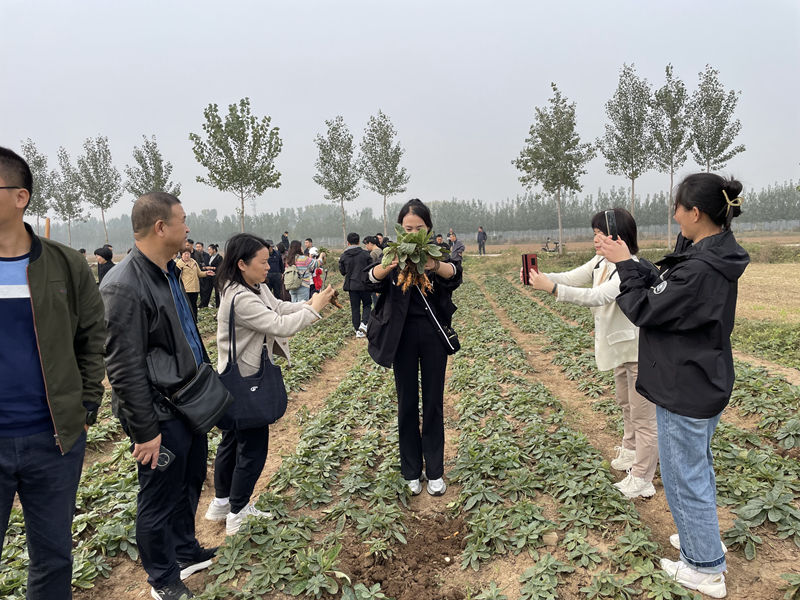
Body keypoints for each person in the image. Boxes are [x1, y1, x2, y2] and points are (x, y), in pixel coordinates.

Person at [599, 173, 749, 599]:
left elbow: (646, 307)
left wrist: (624, 265)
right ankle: (701, 538)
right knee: (696, 467)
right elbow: (667, 279)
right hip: (702, 376)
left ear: (696, 213)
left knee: (685, 476)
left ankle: (704, 568)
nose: (674, 215)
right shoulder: (713, 254)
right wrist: (631, 260)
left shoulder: (700, 270)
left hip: (684, 384)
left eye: (678, 208)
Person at [100, 192, 218, 600]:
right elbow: (123, 368)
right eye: (183, 220)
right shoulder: (124, 286)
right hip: (159, 413)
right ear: (161, 227)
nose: (189, 227)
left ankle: (185, 550)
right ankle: (163, 579)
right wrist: (145, 430)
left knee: (189, 480)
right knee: (158, 496)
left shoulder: (167, 272)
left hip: (187, 403)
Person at [0, 146, 106, 600]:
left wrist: (87, 403)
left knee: (53, 557)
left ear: (20, 197)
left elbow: (92, 336)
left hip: (53, 439)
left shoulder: (64, 264)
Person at [204, 234, 335, 534]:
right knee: (252, 448)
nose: (268, 267)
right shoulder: (241, 298)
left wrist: (310, 304)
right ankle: (238, 513)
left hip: (235, 378)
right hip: (246, 380)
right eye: (262, 262)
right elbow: (279, 325)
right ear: (241, 264)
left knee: (231, 441)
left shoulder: (252, 287)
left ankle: (222, 503)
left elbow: (277, 308)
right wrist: (314, 309)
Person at [525, 208, 657, 499]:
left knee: (644, 417)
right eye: (595, 234)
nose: (596, 240)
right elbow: (573, 277)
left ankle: (643, 477)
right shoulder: (601, 261)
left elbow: (597, 296)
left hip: (638, 352)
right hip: (620, 349)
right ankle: (631, 450)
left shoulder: (630, 267)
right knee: (626, 404)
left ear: (618, 236)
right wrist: (541, 276)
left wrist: (553, 289)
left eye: (601, 234)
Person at [364, 199, 462, 497]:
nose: (413, 233)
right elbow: (369, 280)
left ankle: (435, 471)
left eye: (419, 228)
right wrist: (386, 267)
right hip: (401, 337)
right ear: (400, 229)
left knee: (433, 403)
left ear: (428, 228)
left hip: (432, 336)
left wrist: (435, 266)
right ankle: (410, 471)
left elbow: (455, 275)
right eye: (408, 229)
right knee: (406, 403)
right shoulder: (391, 252)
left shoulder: (437, 252)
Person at [339, 233, 373, 338]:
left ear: (348, 243)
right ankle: (364, 323)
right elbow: (371, 268)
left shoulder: (344, 256)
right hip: (365, 284)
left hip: (352, 286)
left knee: (355, 308)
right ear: (358, 242)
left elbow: (343, 272)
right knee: (367, 304)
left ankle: (358, 330)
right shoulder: (365, 254)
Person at [176, 249, 212, 322]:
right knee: (187, 305)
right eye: (185, 254)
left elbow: (199, 273)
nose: (187, 255)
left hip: (195, 288)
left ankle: (195, 320)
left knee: (194, 305)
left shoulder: (194, 262)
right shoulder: (179, 264)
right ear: (181, 255)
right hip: (186, 289)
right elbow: (177, 277)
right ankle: (187, 320)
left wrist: (206, 273)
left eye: (188, 254)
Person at [206, 244, 223, 308]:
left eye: (209, 249)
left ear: (214, 250)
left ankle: (218, 305)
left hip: (216, 276)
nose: (209, 251)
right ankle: (206, 303)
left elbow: (220, 267)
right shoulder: (210, 257)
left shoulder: (219, 257)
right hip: (210, 276)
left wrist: (213, 268)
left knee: (217, 291)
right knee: (208, 290)